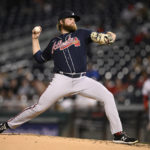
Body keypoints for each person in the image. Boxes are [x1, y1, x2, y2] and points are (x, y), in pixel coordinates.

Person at [0, 10, 138, 144]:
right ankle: (7, 125)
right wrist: (35, 38)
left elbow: (103, 38)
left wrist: (109, 36)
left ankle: (118, 134)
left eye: (74, 19)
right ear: (61, 22)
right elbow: (39, 58)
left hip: (81, 80)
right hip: (61, 80)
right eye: (70, 19)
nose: (73, 21)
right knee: (39, 108)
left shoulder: (82, 33)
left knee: (108, 96)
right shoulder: (54, 42)